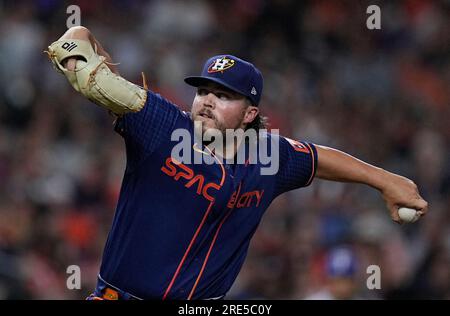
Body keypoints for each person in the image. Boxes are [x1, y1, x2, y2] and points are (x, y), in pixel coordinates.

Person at [45, 26, 428, 300]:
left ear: (250, 114)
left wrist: (384, 180)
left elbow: (318, 158)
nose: (207, 101)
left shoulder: (269, 156)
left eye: (224, 95)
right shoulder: (159, 123)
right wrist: (82, 37)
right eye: (204, 91)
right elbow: (76, 59)